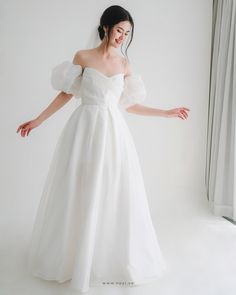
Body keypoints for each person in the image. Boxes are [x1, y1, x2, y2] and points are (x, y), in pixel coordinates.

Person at [16, 5, 190, 293]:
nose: (122, 36)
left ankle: (105, 255)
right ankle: (71, 256)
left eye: (127, 32)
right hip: (83, 129)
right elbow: (65, 93)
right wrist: (38, 120)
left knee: (112, 189)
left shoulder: (124, 65)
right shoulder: (82, 57)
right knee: (78, 187)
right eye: (119, 29)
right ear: (106, 27)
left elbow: (129, 104)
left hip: (112, 133)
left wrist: (165, 112)